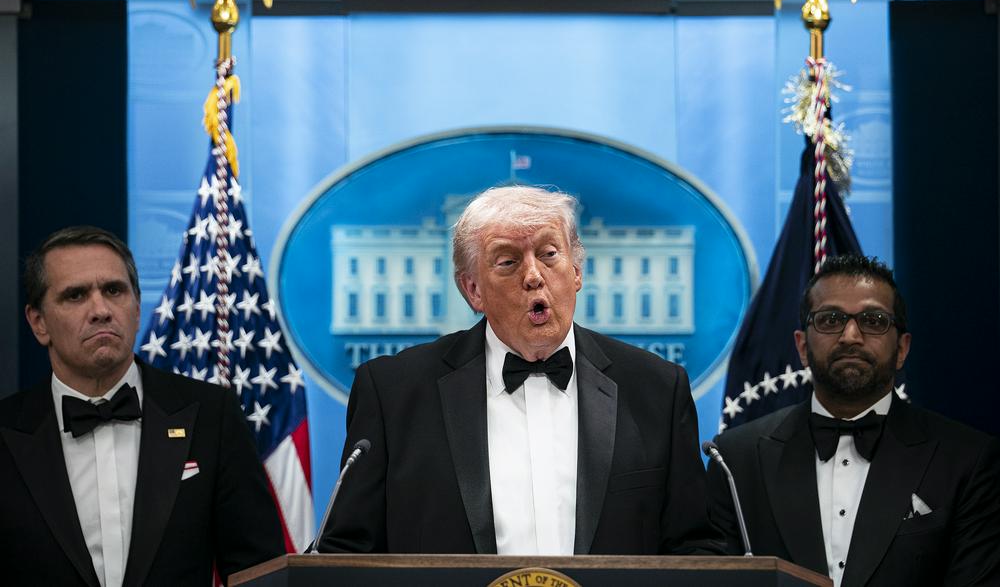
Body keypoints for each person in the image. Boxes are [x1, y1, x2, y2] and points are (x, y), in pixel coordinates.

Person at [318, 185, 718, 555]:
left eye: (549, 254)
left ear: (576, 272)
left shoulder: (657, 389)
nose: (533, 276)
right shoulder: (393, 394)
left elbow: (695, 549)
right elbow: (346, 552)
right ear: (473, 289)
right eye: (508, 261)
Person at [0, 226, 285, 586]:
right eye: (75, 295)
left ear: (136, 309)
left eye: (114, 290)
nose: (100, 310)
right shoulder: (6, 431)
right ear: (38, 323)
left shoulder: (214, 415)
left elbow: (260, 570)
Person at [707, 254, 1000, 586]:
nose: (850, 336)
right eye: (830, 319)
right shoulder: (735, 459)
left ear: (902, 349)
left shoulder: (967, 460)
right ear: (801, 346)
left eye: (873, 320)